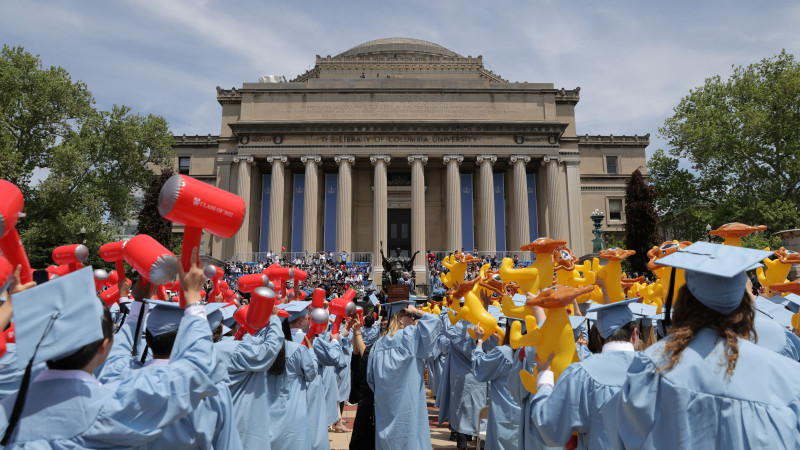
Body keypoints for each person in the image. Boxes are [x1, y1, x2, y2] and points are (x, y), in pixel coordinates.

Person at [0, 254, 220, 447]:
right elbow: (197, 369)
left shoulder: (7, 409)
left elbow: (117, 360)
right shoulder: (115, 404)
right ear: (103, 347)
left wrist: (10, 306)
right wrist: (193, 299)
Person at [604, 242, 800, 448]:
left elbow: (622, 436)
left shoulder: (649, 369)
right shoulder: (788, 376)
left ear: (684, 301)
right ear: (745, 304)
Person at [98, 278, 241, 450]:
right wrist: (194, 303)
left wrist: (137, 304)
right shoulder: (210, 389)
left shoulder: (123, 378)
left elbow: (116, 353)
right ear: (187, 339)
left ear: (148, 342)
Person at [528, 299, 640, 449]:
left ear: (599, 338)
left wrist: (544, 379)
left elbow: (549, 428)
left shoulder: (580, 374)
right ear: (634, 334)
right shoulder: (660, 372)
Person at [367, 304, 442, 449]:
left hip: (385, 406)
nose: (413, 319)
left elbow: (370, 378)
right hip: (409, 401)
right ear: (400, 318)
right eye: (410, 316)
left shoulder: (377, 345)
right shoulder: (410, 336)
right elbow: (435, 321)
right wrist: (417, 311)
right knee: (409, 437)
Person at [266, 312, 317, 450]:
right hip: (294, 413)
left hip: (267, 414)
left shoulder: (262, 352)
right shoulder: (298, 349)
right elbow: (311, 374)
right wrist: (311, 350)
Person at [472, 320, 520, 450]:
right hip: (524, 415)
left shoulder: (503, 352)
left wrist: (479, 342)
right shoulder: (534, 352)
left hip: (503, 415)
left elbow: (480, 368)